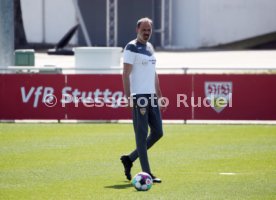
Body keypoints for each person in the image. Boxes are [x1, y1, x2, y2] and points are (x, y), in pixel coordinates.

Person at [120, 17, 166, 183]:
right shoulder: (131, 47)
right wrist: (128, 96)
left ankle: (129, 159)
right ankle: (146, 174)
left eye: (149, 30)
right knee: (141, 135)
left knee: (158, 132)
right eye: (143, 30)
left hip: (152, 96)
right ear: (137, 30)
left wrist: (159, 94)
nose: (146, 33)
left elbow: (154, 72)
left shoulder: (150, 47)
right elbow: (125, 73)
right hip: (139, 96)